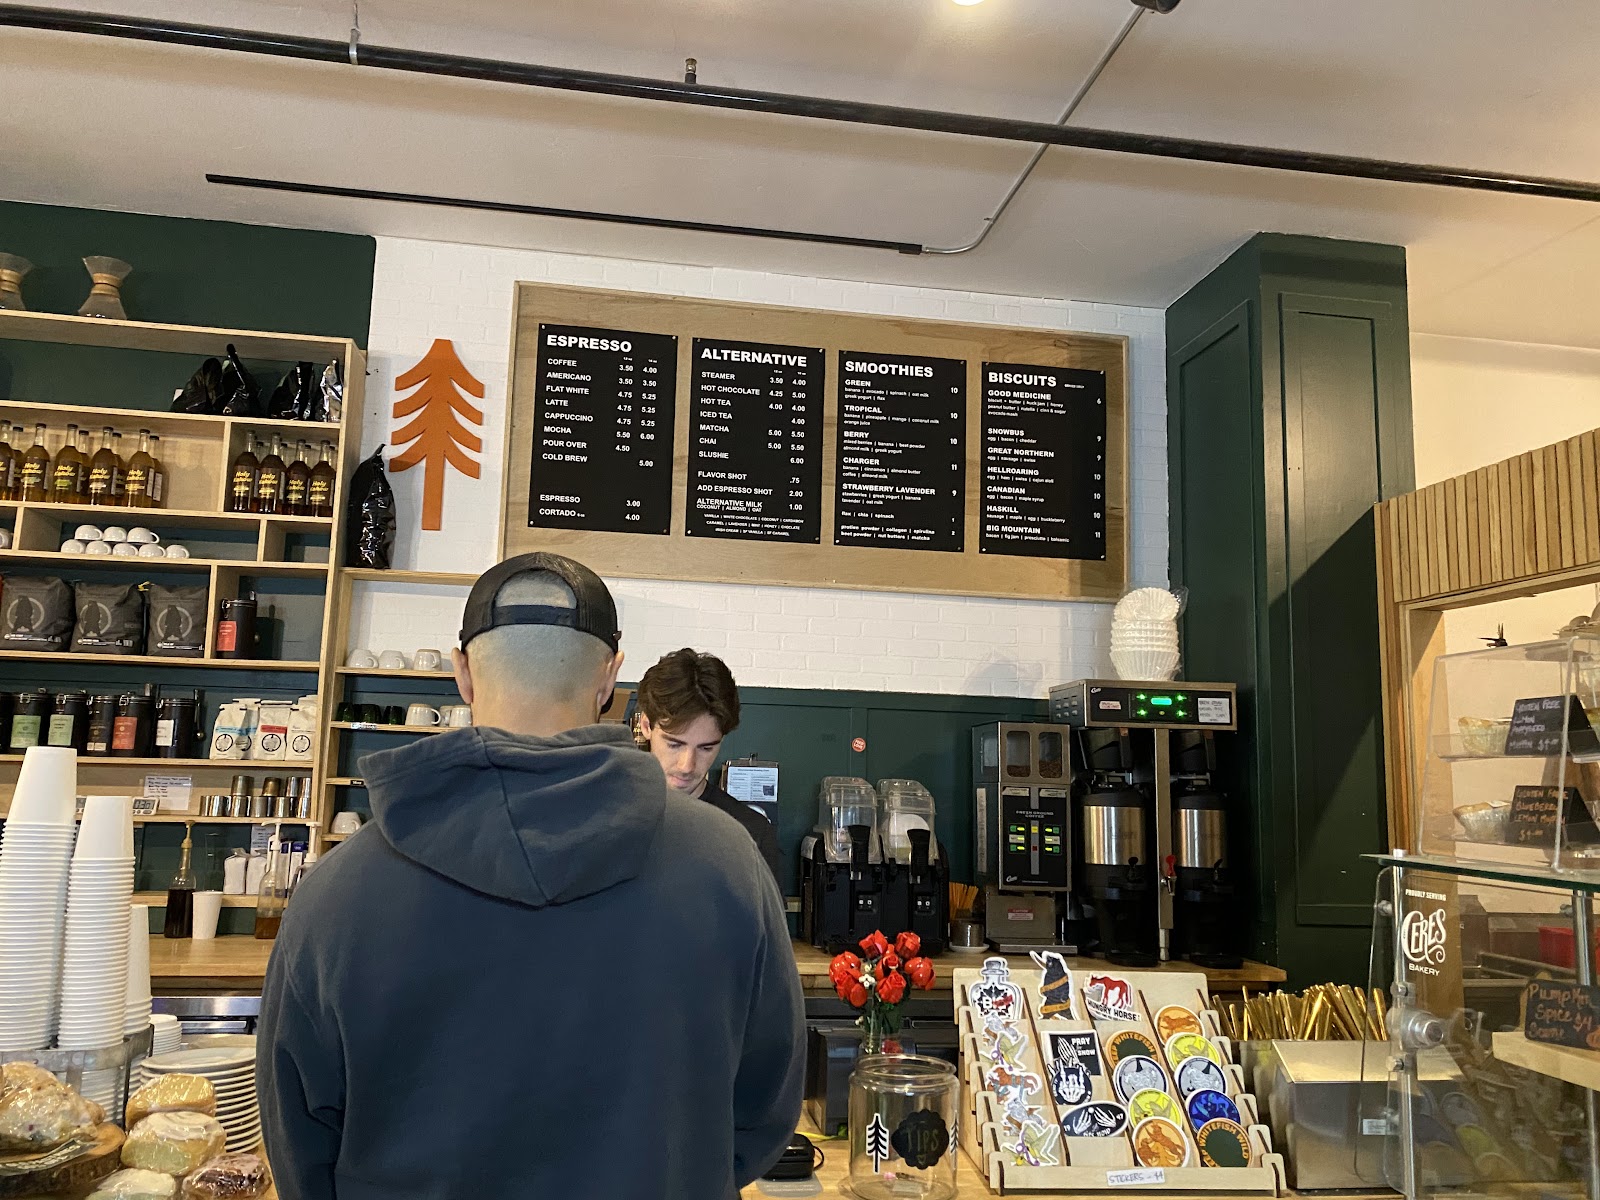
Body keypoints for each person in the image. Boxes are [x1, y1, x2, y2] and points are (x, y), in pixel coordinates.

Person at [257, 553, 805, 1199]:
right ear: (609, 676)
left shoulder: (337, 891)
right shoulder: (726, 863)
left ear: (461, 673)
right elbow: (765, 1106)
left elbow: (298, 1140)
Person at [637, 648, 782, 885]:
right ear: (646, 726)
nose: (687, 766)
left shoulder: (750, 834)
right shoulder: (609, 819)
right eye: (674, 744)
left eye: (706, 748)